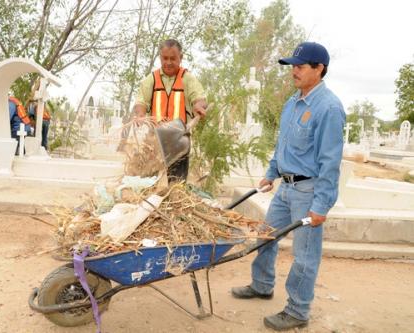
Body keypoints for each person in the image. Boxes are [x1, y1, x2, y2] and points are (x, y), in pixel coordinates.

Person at [231, 42, 346, 331]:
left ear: (319, 69)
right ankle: (262, 285)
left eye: (300, 66)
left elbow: (330, 163)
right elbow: (283, 144)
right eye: (292, 65)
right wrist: (271, 173)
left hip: (309, 191)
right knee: (265, 236)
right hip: (285, 188)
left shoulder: (329, 108)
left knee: (305, 256)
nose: (293, 70)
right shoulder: (292, 102)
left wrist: (321, 206)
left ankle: (297, 311)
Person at [133, 39, 207, 182]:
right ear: (160, 57)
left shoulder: (187, 79)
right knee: (148, 183)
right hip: (154, 141)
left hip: (179, 141)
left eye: (173, 58)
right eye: (165, 58)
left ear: (181, 57)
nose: (168, 62)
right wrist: (140, 114)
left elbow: (199, 98)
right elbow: (141, 101)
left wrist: (199, 105)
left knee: (176, 186)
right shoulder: (152, 79)